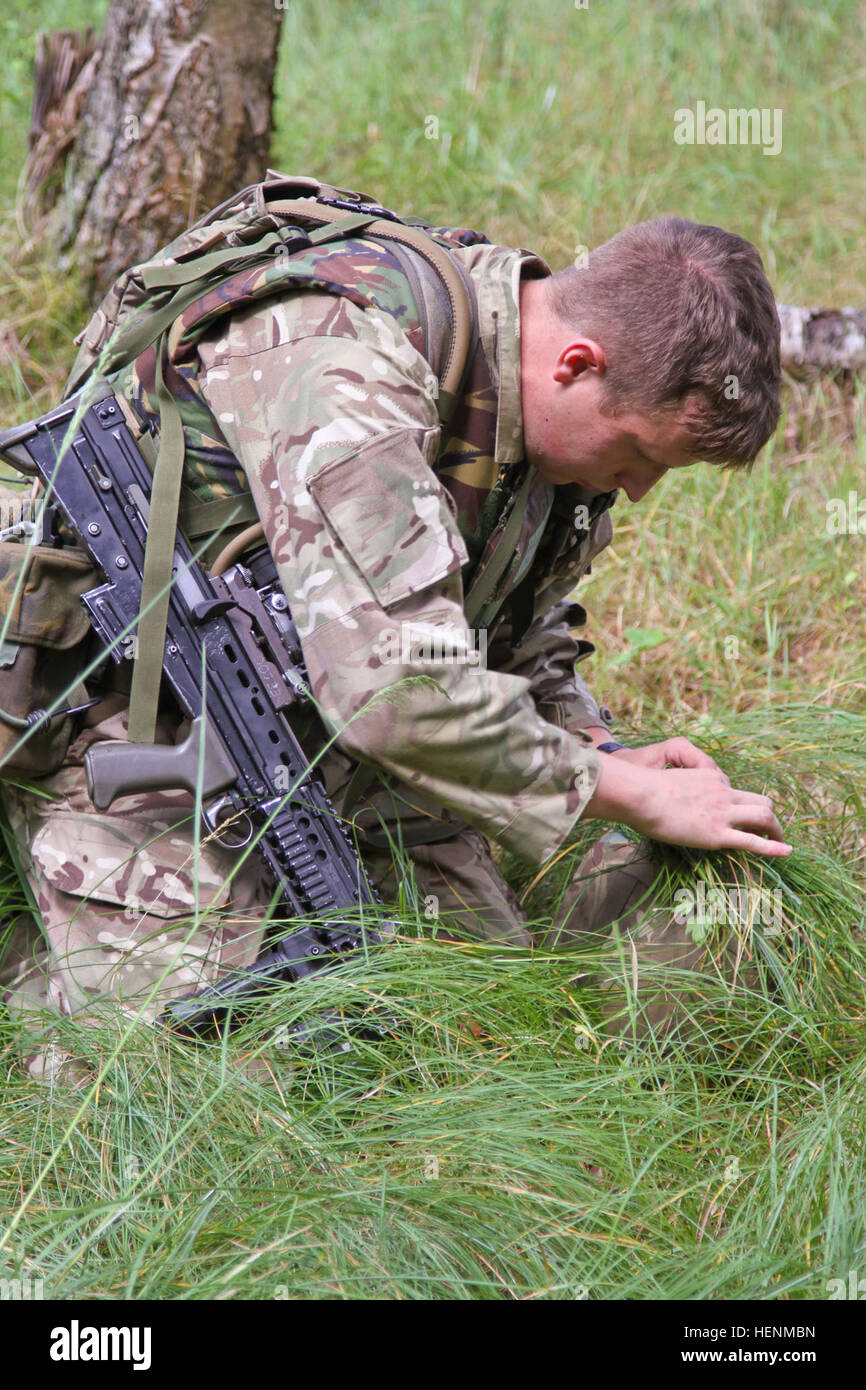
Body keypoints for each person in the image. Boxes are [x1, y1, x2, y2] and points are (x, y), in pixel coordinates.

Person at [0, 182, 788, 1078]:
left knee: (474, 1025)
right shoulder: (347, 371)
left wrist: (598, 744)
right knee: (208, 1075)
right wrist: (615, 791)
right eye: (640, 454)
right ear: (576, 363)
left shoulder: (542, 431)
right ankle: (32, 939)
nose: (640, 488)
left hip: (324, 740)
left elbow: (515, 638)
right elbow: (395, 695)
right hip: (134, 718)